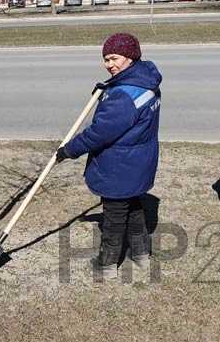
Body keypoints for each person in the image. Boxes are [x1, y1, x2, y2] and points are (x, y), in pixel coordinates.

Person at [56, 33, 162, 279]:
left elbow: (99, 133)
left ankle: (106, 265)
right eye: (106, 59)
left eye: (114, 58)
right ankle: (142, 255)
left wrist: (69, 150)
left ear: (130, 57)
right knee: (135, 209)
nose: (109, 64)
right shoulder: (146, 81)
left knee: (114, 217)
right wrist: (109, 87)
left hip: (119, 166)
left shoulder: (124, 97)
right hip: (138, 162)